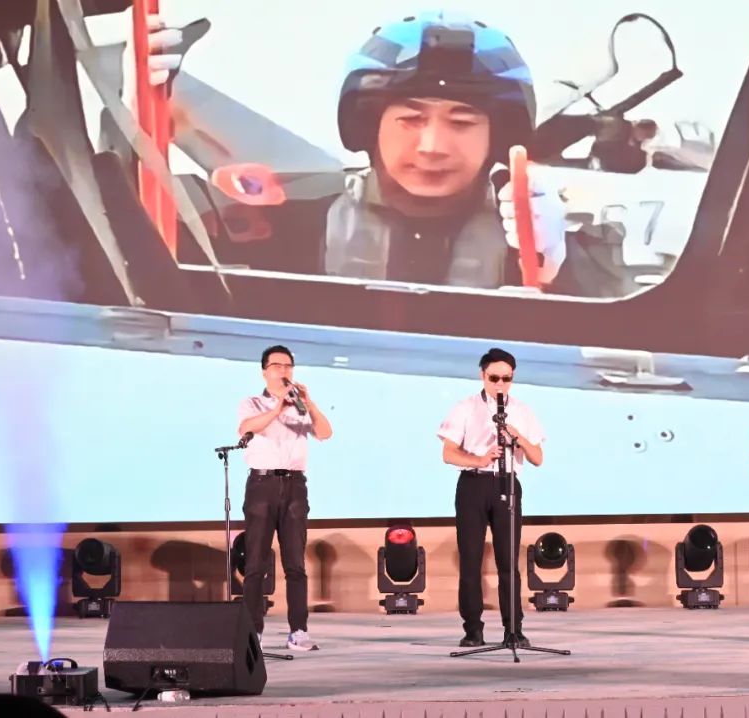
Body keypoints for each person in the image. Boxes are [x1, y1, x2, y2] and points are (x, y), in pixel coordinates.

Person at [125, 11, 639, 297]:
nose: (432, 145)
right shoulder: (286, 221)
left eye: (462, 123)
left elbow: (632, 350)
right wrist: (132, 130)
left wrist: (562, 272)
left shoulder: (548, 241)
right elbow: (131, 255)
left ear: (497, 136)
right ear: (369, 125)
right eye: (410, 119)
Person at [438, 347, 544, 647]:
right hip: (473, 484)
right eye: (494, 378)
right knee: (470, 561)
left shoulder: (522, 410)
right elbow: (448, 453)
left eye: (506, 379)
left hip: (507, 484)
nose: (500, 384)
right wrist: (480, 459)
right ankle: (473, 630)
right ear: (482, 375)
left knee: (508, 562)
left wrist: (516, 435)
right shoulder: (465, 407)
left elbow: (537, 458)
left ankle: (514, 630)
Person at [237, 344, 333, 650]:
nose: (283, 371)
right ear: (264, 372)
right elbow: (247, 428)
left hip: (294, 485)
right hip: (261, 485)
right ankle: (253, 632)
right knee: (255, 563)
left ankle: (299, 631)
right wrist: (278, 407)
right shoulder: (252, 402)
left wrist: (309, 403)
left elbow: (325, 433)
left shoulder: (300, 407)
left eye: (288, 366)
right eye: (277, 366)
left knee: (295, 563)